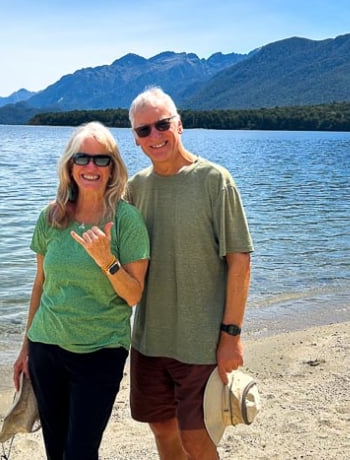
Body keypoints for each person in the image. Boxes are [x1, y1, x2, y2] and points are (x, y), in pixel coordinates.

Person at [126, 87, 254, 460]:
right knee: (163, 431)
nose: (154, 136)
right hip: (149, 339)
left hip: (200, 342)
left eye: (161, 124)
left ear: (179, 124)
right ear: (135, 139)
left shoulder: (215, 180)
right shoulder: (135, 188)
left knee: (196, 439)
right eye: (143, 130)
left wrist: (231, 336)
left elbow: (240, 263)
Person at [13, 121, 150, 460]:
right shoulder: (52, 216)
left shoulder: (126, 220)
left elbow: (133, 295)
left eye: (101, 159)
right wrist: (25, 348)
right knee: (55, 450)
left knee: (80, 453)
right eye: (82, 158)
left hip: (101, 352)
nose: (91, 167)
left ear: (112, 167)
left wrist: (107, 261)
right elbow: (41, 285)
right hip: (47, 348)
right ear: (69, 165)